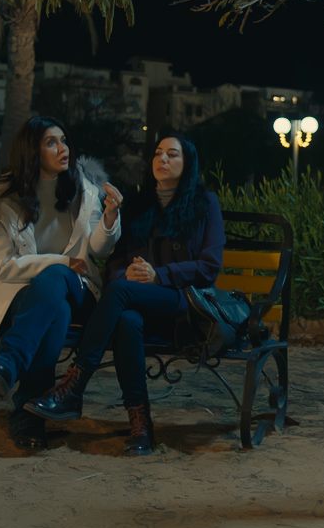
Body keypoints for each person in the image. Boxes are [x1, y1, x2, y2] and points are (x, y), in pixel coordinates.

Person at [25, 134, 224, 456]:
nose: (163, 159)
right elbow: (116, 263)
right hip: (136, 305)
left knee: (119, 294)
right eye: (158, 153)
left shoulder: (205, 204)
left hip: (182, 304)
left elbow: (209, 267)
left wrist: (159, 276)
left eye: (172, 154)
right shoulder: (137, 205)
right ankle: (141, 424)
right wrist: (126, 275)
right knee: (127, 320)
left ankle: (75, 385)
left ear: (187, 163)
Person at [0, 115, 122, 449]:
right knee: (56, 311)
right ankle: (29, 416)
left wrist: (109, 219)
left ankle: (9, 362)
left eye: (63, 140)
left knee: (57, 285)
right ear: (31, 152)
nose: (63, 148)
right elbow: (2, 267)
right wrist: (61, 261)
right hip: (21, 293)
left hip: (81, 289)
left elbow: (99, 249)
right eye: (51, 142)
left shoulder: (85, 191)